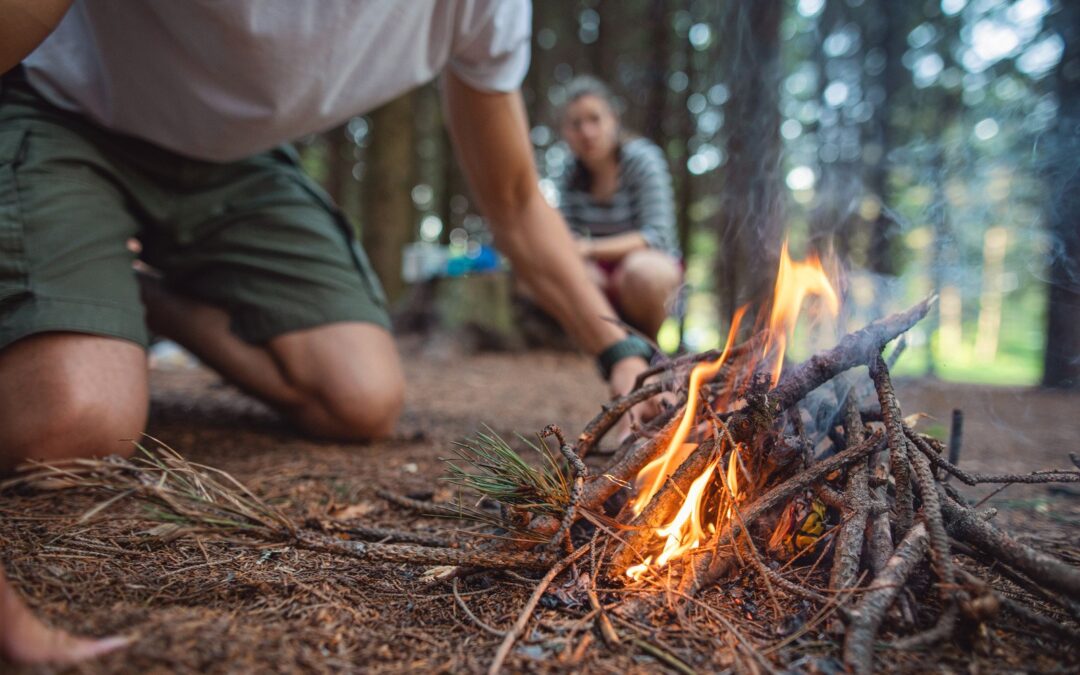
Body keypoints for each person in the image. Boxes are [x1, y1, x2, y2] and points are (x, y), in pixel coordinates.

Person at [0, 0, 657, 664]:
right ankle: (80, 294)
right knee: (72, 427)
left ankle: (130, 287)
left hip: (239, 161)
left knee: (361, 396)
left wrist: (619, 348)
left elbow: (514, 199)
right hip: (65, 111)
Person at [555, 76, 683, 342]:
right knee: (568, 275)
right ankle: (603, 349)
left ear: (613, 119)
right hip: (600, 274)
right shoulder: (569, 173)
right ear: (565, 132)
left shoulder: (642, 160)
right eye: (576, 124)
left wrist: (590, 249)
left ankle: (649, 348)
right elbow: (569, 238)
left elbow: (656, 237)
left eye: (594, 119)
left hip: (648, 268)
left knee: (643, 273)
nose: (586, 132)